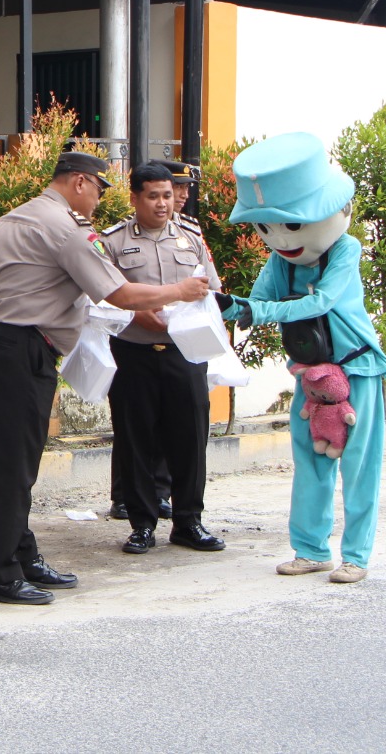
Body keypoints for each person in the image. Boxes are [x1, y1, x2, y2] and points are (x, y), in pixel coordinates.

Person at [0, 152, 210, 605]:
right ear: (80, 182)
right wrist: (179, 291)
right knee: (13, 465)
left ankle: (22, 555)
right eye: (99, 190)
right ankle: (0, 577)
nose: (99, 201)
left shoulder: (15, 217)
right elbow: (119, 293)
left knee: (13, 459)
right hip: (22, 347)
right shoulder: (65, 227)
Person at [218, 133, 386, 584]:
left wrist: (257, 310)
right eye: (266, 227)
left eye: (291, 224)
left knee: (358, 464)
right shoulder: (281, 261)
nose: (279, 238)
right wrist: (222, 305)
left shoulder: (346, 249)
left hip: (356, 369)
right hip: (312, 376)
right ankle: (311, 550)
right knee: (311, 460)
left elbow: (321, 302)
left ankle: (356, 556)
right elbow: (257, 302)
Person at [99, 163, 226, 556]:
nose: (162, 204)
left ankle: (189, 522)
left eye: (167, 195)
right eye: (153, 196)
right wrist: (136, 314)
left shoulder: (191, 238)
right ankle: (142, 524)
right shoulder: (113, 242)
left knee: (190, 438)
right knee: (135, 439)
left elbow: (213, 290)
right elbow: (98, 297)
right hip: (133, 353)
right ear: (135, 198)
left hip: (185, 353)